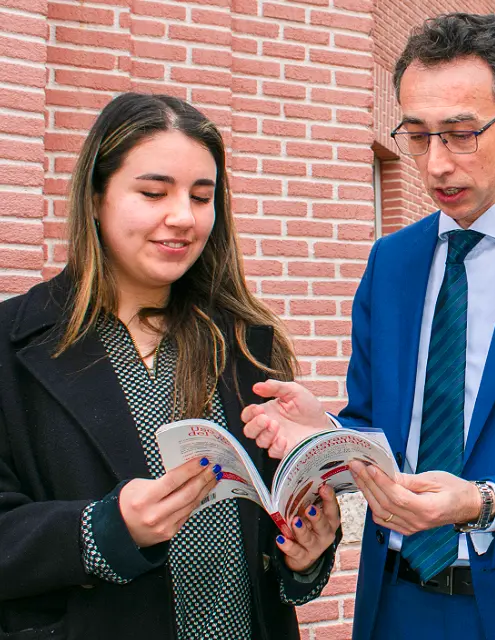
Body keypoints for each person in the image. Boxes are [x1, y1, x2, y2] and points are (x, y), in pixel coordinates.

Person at [241, 13, 495, 640]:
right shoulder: (391, 263)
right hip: (398, 607)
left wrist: (480, 501)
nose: (434, 165)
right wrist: (323, 431)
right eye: (417, 135)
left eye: (461, 134)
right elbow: (377, 430)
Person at [0, 92, 341, 640]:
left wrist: (305, 553)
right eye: (153, 192)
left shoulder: (249, 342)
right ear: (95, 197)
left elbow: (276, 524)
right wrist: (103, 530)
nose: (182, 217)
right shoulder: (12, 346)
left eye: (202, 197)